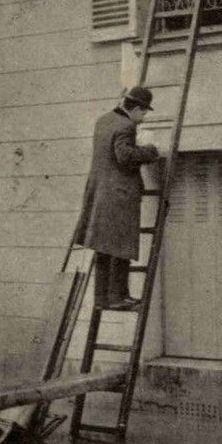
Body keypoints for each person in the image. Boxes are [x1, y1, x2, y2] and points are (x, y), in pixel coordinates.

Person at [74, 86, 159, 312]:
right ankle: (119, 297)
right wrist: (150, 151)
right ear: (136, 109)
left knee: (103, 248)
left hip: (100, 194)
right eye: (144, 113)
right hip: (119, 196)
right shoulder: (126, 125)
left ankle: (102, 298)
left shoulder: (103, 121)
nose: (143, 119)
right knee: (120, 248)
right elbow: (124, 156)